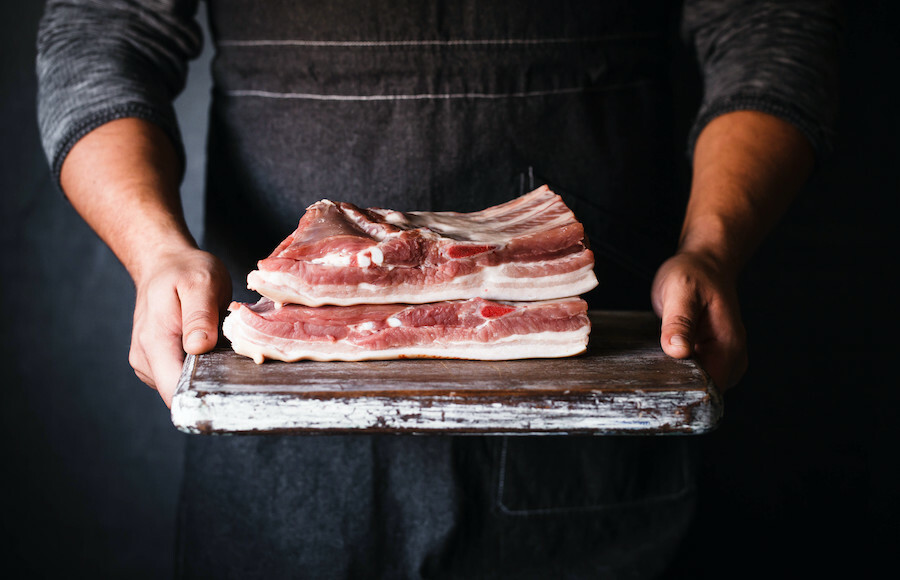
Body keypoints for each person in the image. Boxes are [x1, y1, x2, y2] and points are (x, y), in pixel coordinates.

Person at [37, 0, 839, 577]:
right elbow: (102, 29)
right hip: (279, 396)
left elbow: (770, 23)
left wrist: (713, 247)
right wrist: (155, 252)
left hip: (593, 378)